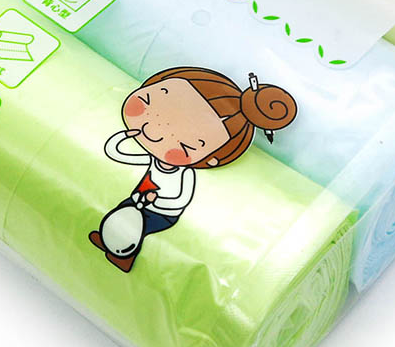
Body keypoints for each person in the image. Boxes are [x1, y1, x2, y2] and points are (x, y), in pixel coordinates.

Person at [90, 66, 297, 272]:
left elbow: (181, 199)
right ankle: (108, 239)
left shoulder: (185, 172)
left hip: (162, 213)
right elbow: (118, 154)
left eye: (186, 147)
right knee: (120, 216)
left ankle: (124, 255)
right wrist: (124, 136)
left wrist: (157, 199)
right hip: (140, 199)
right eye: (149, 99)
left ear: (212, 160)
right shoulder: (155, 160)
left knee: (135, 228)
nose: (155, 130)